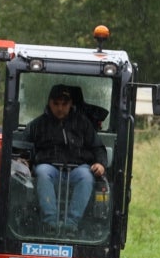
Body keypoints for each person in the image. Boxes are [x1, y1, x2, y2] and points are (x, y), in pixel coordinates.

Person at [27, 83, 107, 230]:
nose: (60, 108)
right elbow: (23, 147)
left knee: (86, 176)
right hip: (49, 168)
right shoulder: (37, 125)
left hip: (78, 168)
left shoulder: (83, 123)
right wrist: (24, 161)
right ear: (49, 103)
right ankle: (50, 222)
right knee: (42, 173)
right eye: (56, 103)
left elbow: (98, 147)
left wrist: (101, 164)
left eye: (64, 104)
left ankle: (71, 224)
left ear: (71, 104)